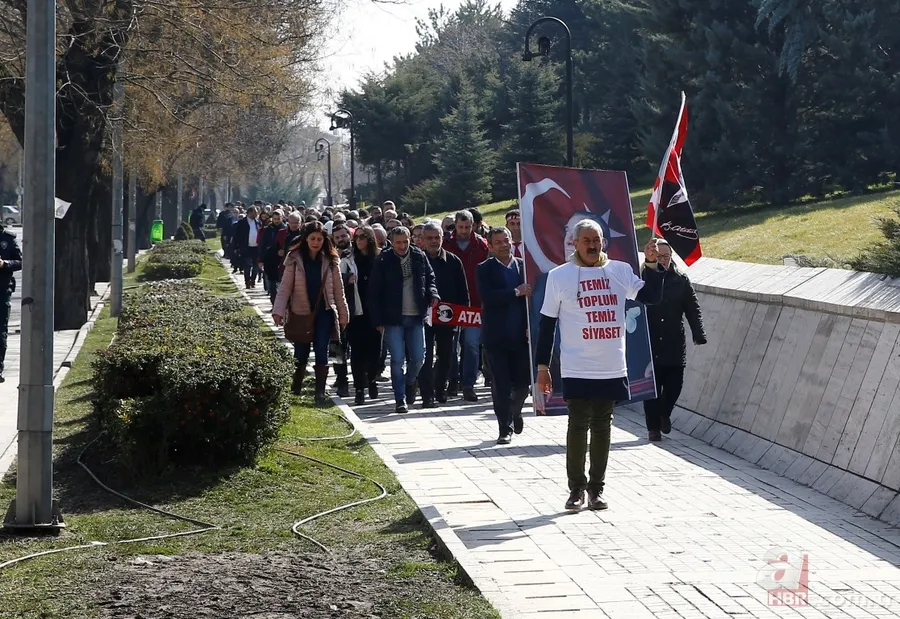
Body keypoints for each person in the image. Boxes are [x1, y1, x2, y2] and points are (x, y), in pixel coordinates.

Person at [535, 219, 664, 511]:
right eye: (586, 241)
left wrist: (653, 265)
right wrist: (543, 367)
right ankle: (576, 490)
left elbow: (651, 297)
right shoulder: (559, 276)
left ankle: (596, 490)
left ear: (603, 242)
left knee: (603, 426)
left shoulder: (619, 271)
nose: (592, 246)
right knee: (578, 424)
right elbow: (546, 325)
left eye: (597, 240)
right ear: (575, 244)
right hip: (576, 366)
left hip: (610, 365)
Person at [272, 221, 349, 404]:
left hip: (325, 311)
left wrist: (344, 314)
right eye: (312, 238)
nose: (316, 242)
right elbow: (284, 287)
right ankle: (296, 385)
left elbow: (339, 290)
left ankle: (320, 392)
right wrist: (278, 311)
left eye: (319, 239)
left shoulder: (331, 260)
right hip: (301, 312)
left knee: (322, 348)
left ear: (324, 240)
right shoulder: (295, 258)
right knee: (301, 351)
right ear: (306, 239)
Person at [369, 226, 440, 414]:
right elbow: (374, 291)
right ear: (391, 242)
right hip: (393, 318)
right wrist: (377, 319)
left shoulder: (419, 256)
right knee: (397, 359)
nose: (402, 246)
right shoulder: (384, 259)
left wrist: (432, 293)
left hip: (416, 315)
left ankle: (410, 382)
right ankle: (400, 398)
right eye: (398, 242)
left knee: (419, 357)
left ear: (411, 239)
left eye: (405, 241)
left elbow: (430, 278)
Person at [643, 240, 706, 441]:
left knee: (674, 385)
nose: (662, 260)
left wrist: (698, 333)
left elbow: (692, 307)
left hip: (673, 341)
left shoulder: (680, 280)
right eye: (658, 256)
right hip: (651, 341)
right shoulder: (644, 277)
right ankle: (653, 428)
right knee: (652, 387)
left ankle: (664, 413)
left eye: (666, 256)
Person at [477, 227, 531, 444]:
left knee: (522, 385)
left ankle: (515, 412)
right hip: (495, 337)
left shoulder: (522, 266)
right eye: (498, 242)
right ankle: (504, 428)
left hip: (520, 336)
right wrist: (516, 292)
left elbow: (531, 299)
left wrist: (530, 325)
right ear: (490, 246)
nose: (503, 245)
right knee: (500, 385)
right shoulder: (484, 269)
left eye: (506, 240)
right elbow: (487, 296)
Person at [420, 222, 469, 408]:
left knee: (446, 355)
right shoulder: (418, 260)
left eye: (437, 237)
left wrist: (463, 315)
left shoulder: (454, 261)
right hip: (423, 317)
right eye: (430, 238)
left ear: (443, 237)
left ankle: (440, 388)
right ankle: (427, 394)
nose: (434, 241)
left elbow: (463, 293)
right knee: (425, 356)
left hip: (448, 318)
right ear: (423, 240)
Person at [444, 210, 490, 402]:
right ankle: (453, 380)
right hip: (452, 303)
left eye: (467, 227)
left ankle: (468, 384)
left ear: (474, 226)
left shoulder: (481, 246)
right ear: (455, 225)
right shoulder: (446, 244)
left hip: (475, 304)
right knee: (451, 345)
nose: (463, 230)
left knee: (471, 344)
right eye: (460, 227)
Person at [341, 225, 383, 405]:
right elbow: (336, 281)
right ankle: (359, 388)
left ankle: (372, 379)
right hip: (355, 312)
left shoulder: (380, 258)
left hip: (374, 312)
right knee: (357, 352)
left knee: (374, 352)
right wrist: (347, 279)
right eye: (356, 237)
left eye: (363, 237)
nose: (359, 241)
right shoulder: (348, 259)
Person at [331, 224, 354, 398]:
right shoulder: (330, 256)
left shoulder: (357, 254)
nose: (341, 239)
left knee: (357, 347)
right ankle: (341, 379)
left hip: (356, 308)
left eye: (343, 236)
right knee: (336, 348)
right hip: (335, 309)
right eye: (337, 237)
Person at [0, 223, 22, 383]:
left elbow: (20, 261)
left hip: (2, 291)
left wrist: (5, 264)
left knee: (0, 332)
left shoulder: (7, 238)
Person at [259, 209, 286, 304]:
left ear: (282, 218)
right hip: (269, 260)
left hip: (282, 260)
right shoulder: (267, 230)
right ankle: (274, 303)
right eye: (275, 219)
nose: (276, 221)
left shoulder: (286, 230)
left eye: (278, 219)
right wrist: (260, 260)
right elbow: (262, 245)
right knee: (272, 284)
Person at [233, 205, 262, 289]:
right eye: (255, 212)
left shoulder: (258, 222)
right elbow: (236, 236)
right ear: (250, 213)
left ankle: (253, 279)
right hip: (246, 248)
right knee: (247, 265)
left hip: (256, 248)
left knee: (256, 266)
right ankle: (247, 281)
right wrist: (236, 247)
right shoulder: (242, 223)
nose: (256, 214)